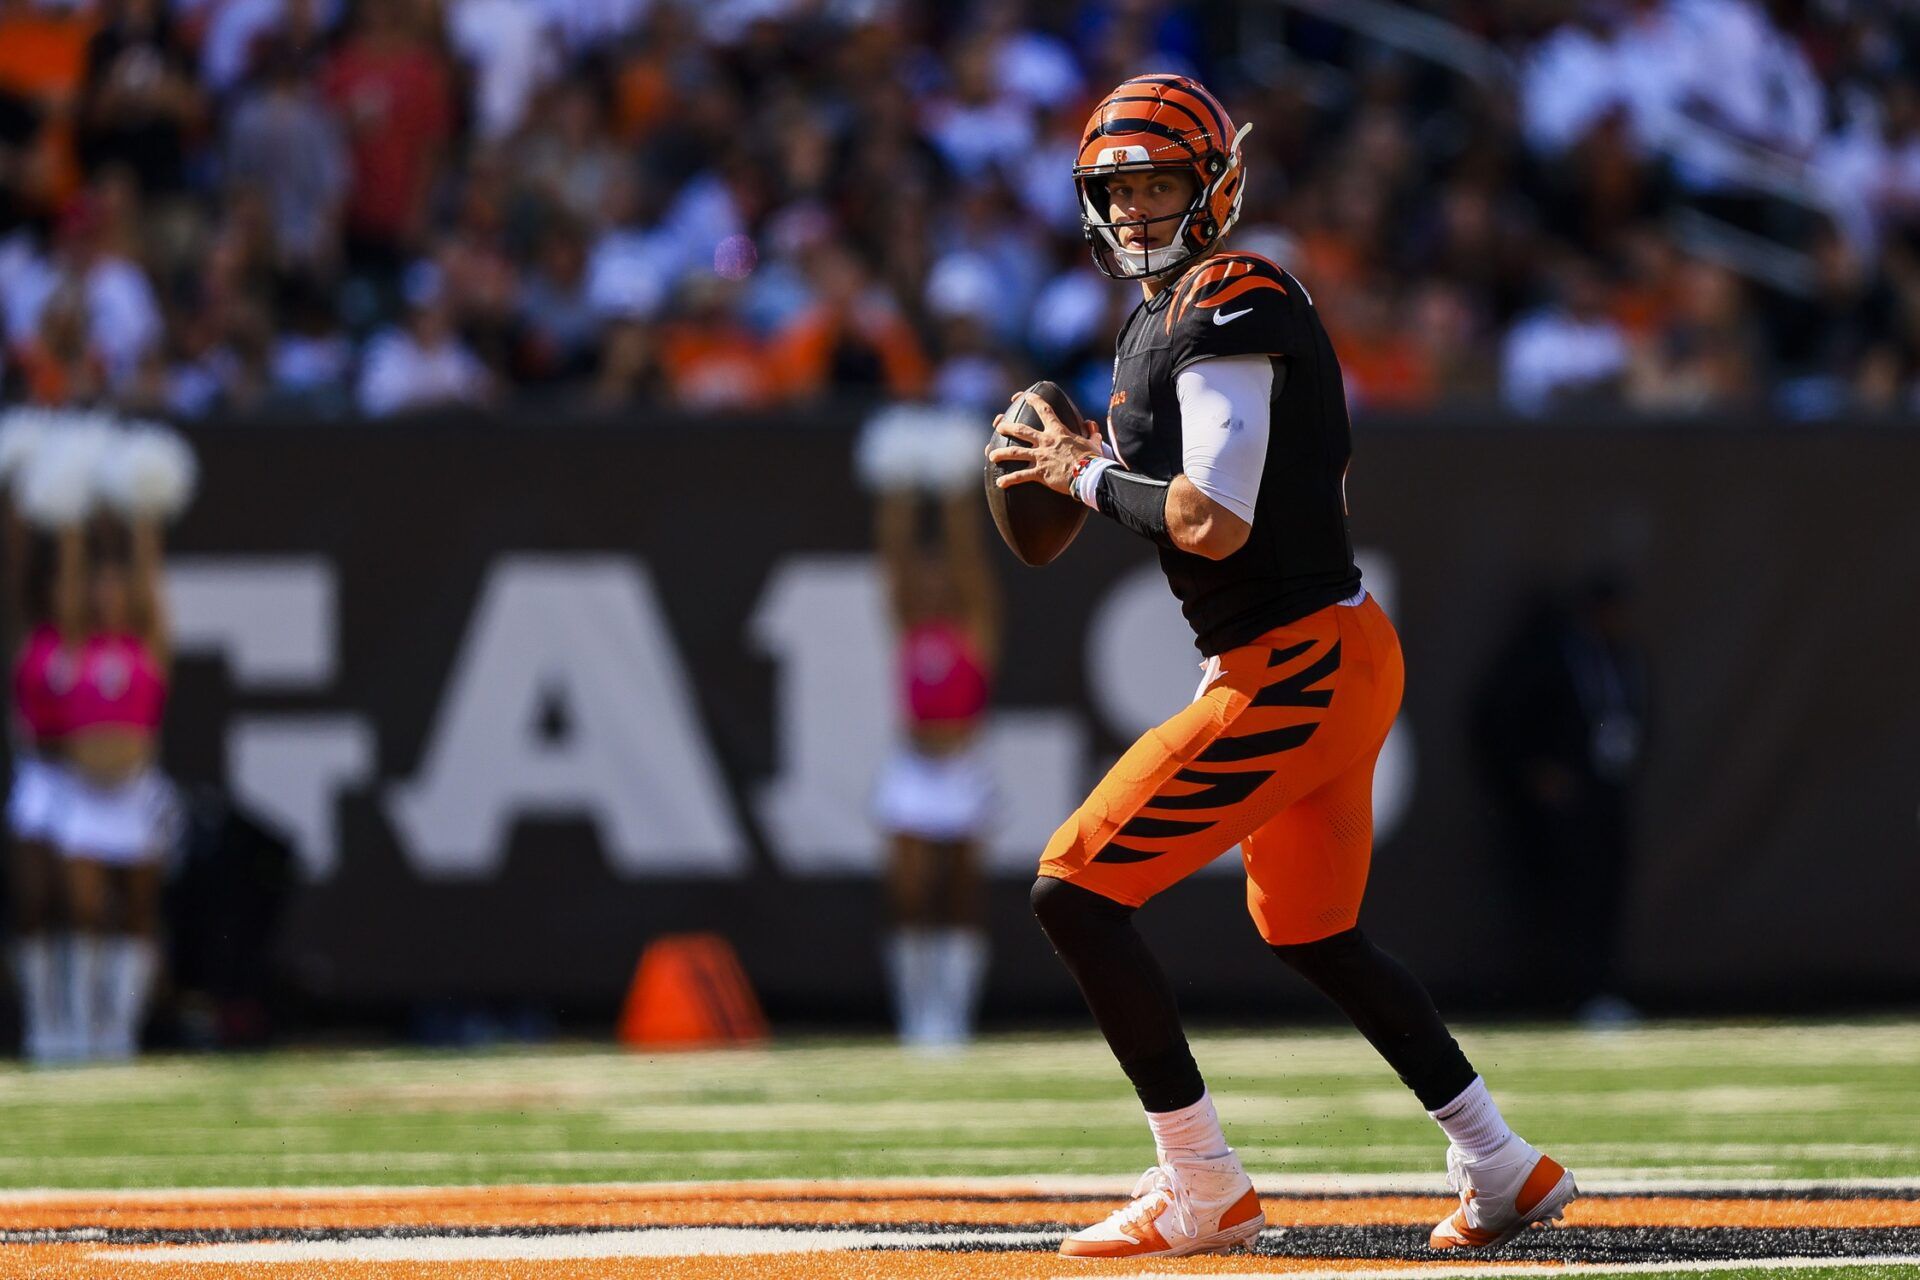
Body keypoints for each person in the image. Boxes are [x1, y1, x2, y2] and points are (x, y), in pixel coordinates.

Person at [986, 74, 1577, 1259]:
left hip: (1295, 661)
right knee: (1313, 928)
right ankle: (1501, 1161)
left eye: (1159, 184)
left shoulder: (1231, 294)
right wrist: (1097, 464)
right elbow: (1197, 500)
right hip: (1317, 652)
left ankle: (1201, 1180)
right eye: (1122, 189)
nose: (1141, 210)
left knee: (1075, 887)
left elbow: (1215, 521)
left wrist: (1083, 474)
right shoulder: (1166, 317)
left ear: (1214, 185)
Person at [1472, 574, 1648, 1025]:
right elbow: (1500, 716)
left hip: (1608, 793)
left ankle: (1602, 991)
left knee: (1608, 892)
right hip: (1566, 806)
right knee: (1565, 896)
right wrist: (1534, 769)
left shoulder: (1624, 657)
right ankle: (1568, 993)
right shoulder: (1551, 654)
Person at [871, 486, 997, 1049]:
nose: (931, 582)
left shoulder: (974, 628)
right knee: (910, 893)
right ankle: (914, 1011)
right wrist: (898, 485)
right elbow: (892, 555)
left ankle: (955, 1013)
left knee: (961, 891)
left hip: (962, 768)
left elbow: (970, 562)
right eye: (923, 576)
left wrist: (953, 495)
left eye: (938, 575)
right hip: (913, 771)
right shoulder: (907, 624)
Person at [53, 512, 173, 1060]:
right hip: (80, 787)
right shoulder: (74, 642)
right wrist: (69, 522)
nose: (106, 596)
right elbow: (65, 584)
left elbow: (151, 585)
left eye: (115, 586)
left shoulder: (146, 643)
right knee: (80, 906)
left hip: (134, 787)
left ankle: (120, 1026)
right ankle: (77, 1022)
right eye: (95, 587)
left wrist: (145, 522)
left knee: (136, 907)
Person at [6, 515, 78, 1063]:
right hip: (42, 775)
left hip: (97, 779)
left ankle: (95, 1024)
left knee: (88, 902)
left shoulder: (115, 633)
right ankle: (43, 1020)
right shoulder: (31, 634)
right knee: (35, 899)